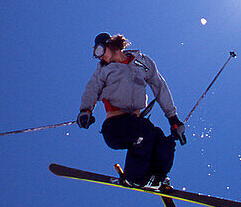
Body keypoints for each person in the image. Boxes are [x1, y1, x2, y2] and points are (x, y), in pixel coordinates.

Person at [76, 33, 186, 188]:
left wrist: (173, 119)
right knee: (144, 129)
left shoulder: (142, 62)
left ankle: (156, 179)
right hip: (115, 128)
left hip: (136, 124)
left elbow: (159, 87)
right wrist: (86, 110)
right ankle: (135, 177)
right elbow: (92, 88)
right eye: (96, 55)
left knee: (164, 142)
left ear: (111, 44)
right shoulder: (103, 69)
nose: (100, 57)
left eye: (100, 51)